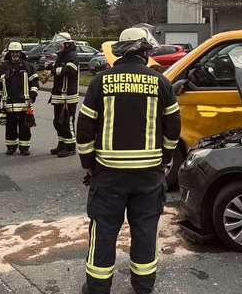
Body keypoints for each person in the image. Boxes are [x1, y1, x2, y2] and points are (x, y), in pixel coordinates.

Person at [76, 27, 181, 294]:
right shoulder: (161, 82)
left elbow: (85, 127)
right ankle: (143, 287)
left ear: (120, 52)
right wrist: (165, 158)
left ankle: (98, 288)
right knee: (146, 231)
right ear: (146, 52)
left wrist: (88, 161)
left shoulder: (101, 81)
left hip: (109, 174)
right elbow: (173, 127)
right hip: (149, 175)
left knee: (104, 231)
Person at [0, 42, 41, 156]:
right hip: (8, 104)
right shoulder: (3, 67)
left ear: (20, 53)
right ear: (9, 53)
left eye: (17, 52)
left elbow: (34, 83)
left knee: (25, 126)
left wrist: (33, 95)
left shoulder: (28, 66)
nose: (15, 54)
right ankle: (11, 146)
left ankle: (24, 147)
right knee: (10, 127)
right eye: (13, 52)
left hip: (24, 104)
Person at [46, 32, 79, 157]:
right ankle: (61, 144)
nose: (58, 46)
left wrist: (53, 71)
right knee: (57, 122)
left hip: (68, 96)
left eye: (60, 44)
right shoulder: (61, 56)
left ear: (67, 44)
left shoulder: (72, 56)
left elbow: (69, 70)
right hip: (59, 95)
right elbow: (58, 68)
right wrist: (50, 66)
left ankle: (70, 147)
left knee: (67, 122)